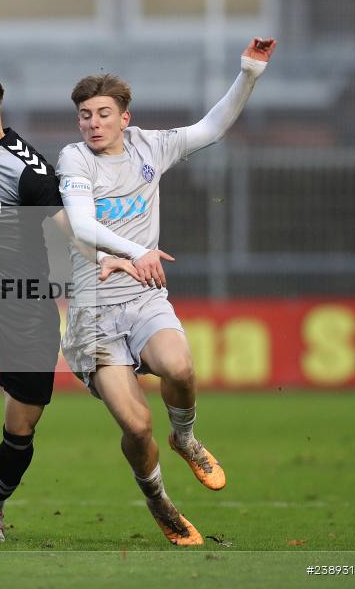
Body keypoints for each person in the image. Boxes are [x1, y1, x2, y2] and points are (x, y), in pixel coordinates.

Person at [57, 38, 276, 545]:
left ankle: (187, 439)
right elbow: (84, 226)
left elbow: (213, 127)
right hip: (93, 316)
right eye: (85, 115)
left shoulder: (150, 146)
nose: (92, 123)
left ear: (124, 118)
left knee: (179, 366)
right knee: (135, 428)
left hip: (143, 299)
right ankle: (160, 502)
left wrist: (248, 73)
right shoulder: (74, 160)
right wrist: (135, 253)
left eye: (103, 113)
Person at [0, 65, 137, 542]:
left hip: (30, 309)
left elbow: (70, 230)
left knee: (20, 431)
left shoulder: (28, 170)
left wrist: (111, 258)